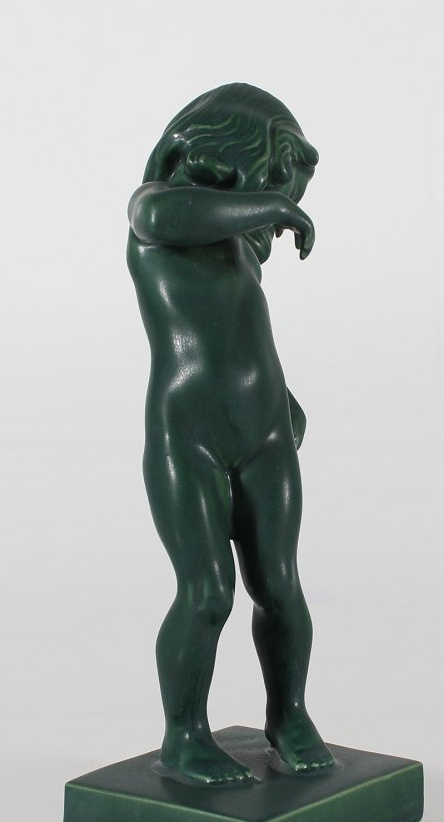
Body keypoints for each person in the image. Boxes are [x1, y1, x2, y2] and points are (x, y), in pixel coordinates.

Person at [126, 84, 334, 784]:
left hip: (265, 430)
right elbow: (179, 214)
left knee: (280, 585)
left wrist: (283, 396)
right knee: (207, 591)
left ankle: (290, 715)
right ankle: (184, 736)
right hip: (188, 437)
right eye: (276, 178)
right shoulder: (155, 212)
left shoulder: (235, 243)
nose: (280, 202)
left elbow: (239, 329)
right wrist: (275, 205)